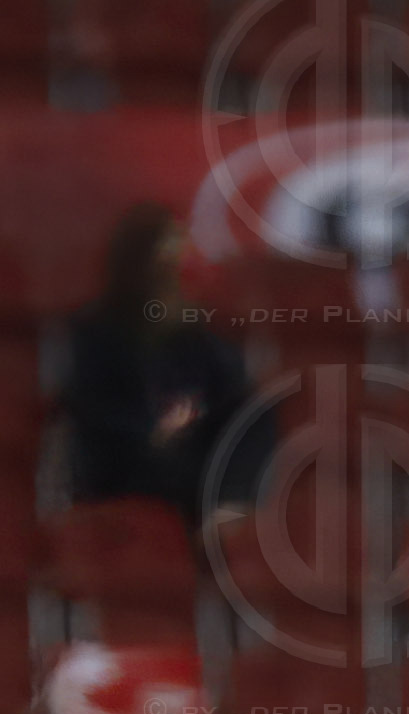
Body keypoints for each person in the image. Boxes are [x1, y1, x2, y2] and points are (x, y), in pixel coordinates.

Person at [63, 204, 262, 528]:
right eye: (162, 258)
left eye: (176, 258)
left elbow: (231, 394)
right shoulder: (94, 331)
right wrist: (154, 426)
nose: (171, 269)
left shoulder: (198, 331)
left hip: (193, 470)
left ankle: (223, 516)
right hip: (123, 470)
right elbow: (90, 405)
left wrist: (192, 417)